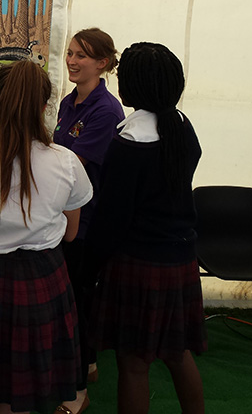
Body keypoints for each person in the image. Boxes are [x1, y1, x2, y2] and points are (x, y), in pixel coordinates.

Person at [0, 60, 93, 414]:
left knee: (4, 389)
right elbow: (71, 234)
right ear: (44, 106)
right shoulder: (68, 162)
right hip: (46, 278)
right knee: (28, 382)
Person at [88, 42, 206, 414]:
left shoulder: (130, 143)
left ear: (135, 86)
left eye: (122, 75)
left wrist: (88, 266)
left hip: (138, 263)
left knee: (134, 363)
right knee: (177, 352)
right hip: (179, 258)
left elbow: (112, 219)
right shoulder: (183, 129)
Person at [53, 27, 125, 413]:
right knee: (78, 297)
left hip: (86, 222)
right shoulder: (69, 102)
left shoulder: (106, 110)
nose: (72, 61)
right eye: (69, 53)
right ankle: (90, 364)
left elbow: (71, 165)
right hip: (67, 216)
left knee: (76, 304)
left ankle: (77, 391)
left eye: (81, 55)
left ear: (103, 63)